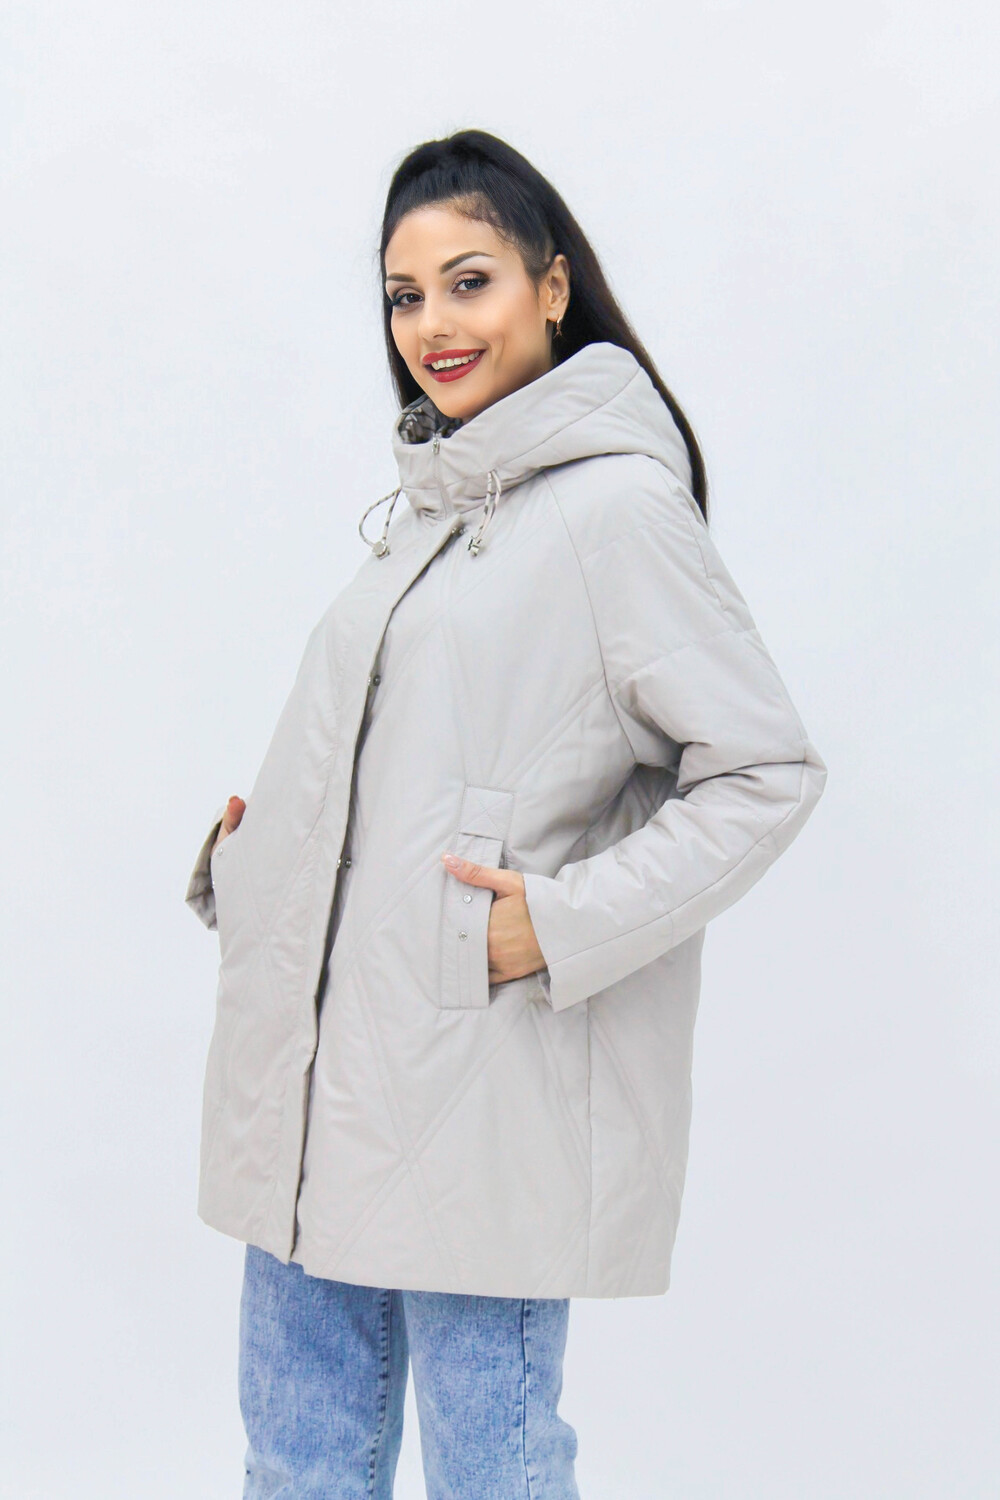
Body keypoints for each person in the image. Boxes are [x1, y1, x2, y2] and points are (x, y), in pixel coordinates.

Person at [185, 129, 828, 1499]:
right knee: (298, 1463)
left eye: (467, 280)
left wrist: (560, 924)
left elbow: (763, 771)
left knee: (493, 1469)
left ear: (551, 285)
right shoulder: (429, 511)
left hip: (482, 1090)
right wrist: (252, 862)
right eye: (403, 295)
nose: (432, 324)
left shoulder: (616, 511)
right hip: (316, 1080)